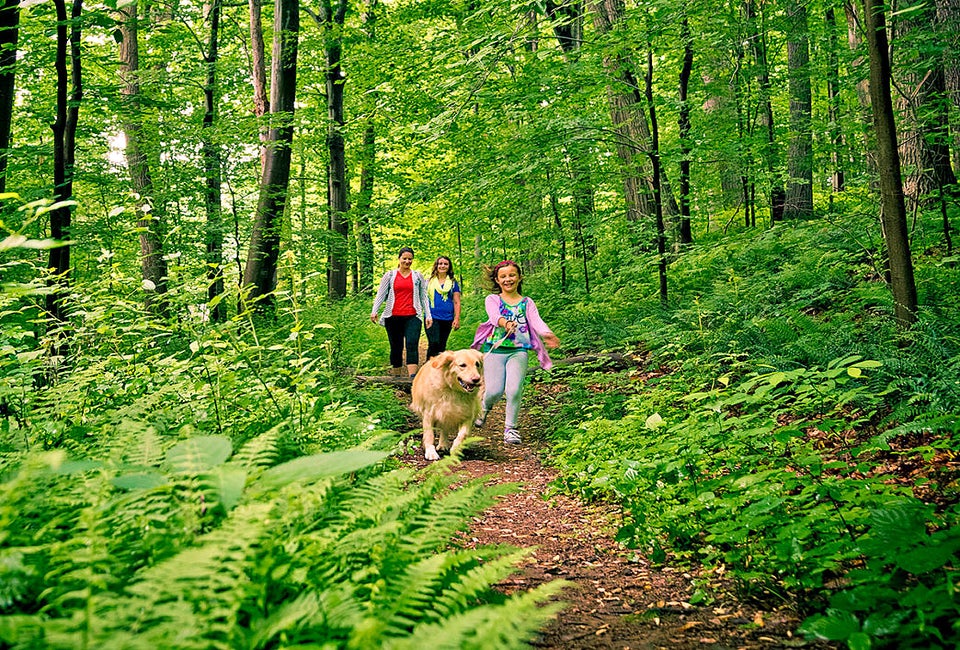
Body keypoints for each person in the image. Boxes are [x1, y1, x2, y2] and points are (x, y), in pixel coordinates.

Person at [470, 260, 559, 445]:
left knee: (514, 390)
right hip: (495, 349)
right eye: (503, 276)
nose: (508, 279)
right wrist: (506, 323)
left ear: (519, 277)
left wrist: (547, 334)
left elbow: (537, 321)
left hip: (519, 351)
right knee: (494, 391)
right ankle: (484, 407)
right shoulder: (492, 299)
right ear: (497, 280)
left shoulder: (527, 302)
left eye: (512, 275)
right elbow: (495, 316)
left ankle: (511, 428)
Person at [371, 247, 432, 377]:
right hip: (393, 317)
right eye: (404, 258)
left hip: (413, 316)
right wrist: (374, 310)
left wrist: (428, 315)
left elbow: (423, 297)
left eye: (410, 259)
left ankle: (412, 378)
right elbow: (381, 295)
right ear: (399, 259)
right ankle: (396, 377)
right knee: (396, 347)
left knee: (411, 344)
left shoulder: (417, 276)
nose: (407, 261)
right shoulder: (390, 275)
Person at [425, 256, 461, 359]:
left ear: (449, 267)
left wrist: (457, 318)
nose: (442, 266)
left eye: (445, 264)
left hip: (447, 318)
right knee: (433, 343)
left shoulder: (453, 283)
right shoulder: (428, 282)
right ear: (436, 266)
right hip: (431, 317)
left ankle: (440, 370)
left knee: (441, 345)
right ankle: (429, 367)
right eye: (440, 263)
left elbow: (456, 301)